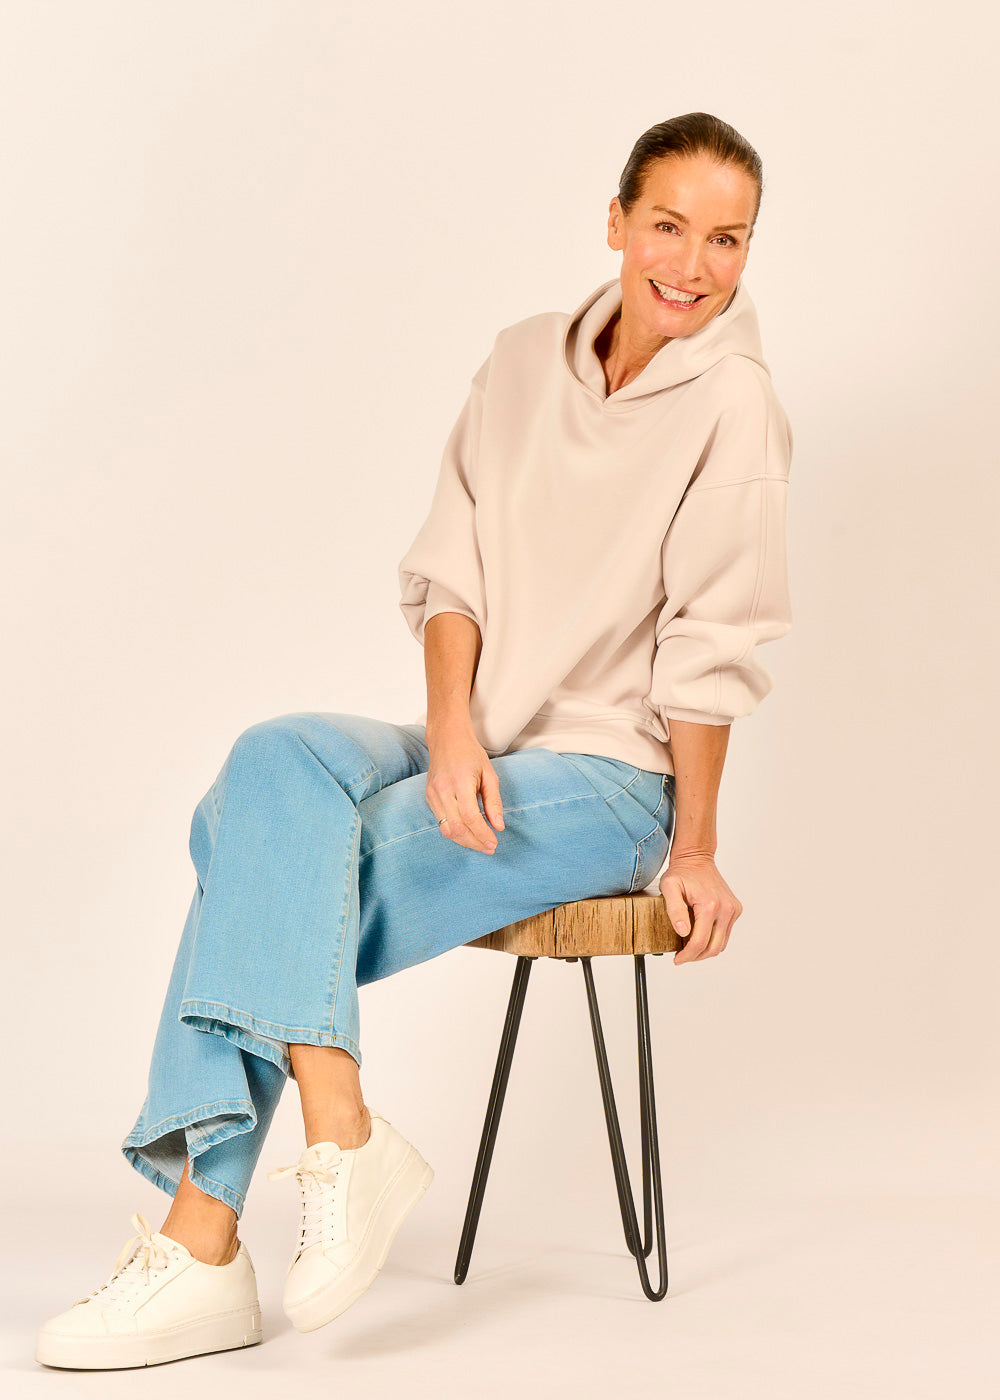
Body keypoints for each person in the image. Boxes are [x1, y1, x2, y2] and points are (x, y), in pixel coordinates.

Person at [36, 110, 793, 1370]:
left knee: (259, 863)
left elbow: (710, 645)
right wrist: (449, 732)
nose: (694, 264)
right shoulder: (519, 361)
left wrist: (697, 845)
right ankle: (342, 1127)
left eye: (728, 239)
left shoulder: (734, 405)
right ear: (614, 222)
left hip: (611, 779)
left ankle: (202, 1242)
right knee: (271, 765)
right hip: (486, 741)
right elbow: (453, 570)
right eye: (668, 225)